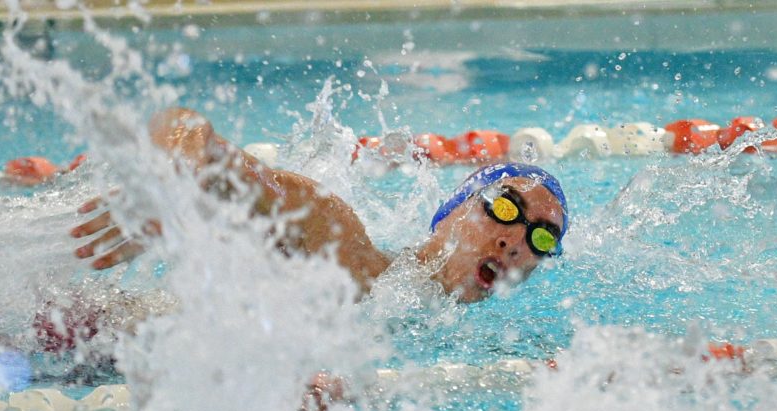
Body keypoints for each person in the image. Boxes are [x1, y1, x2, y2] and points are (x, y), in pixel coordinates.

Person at [70, 108, 569, 304]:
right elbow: (185, 127)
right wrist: (169, 189)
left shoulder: (490, 344)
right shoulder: (342, 242)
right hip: (89, 323)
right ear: (451, 212)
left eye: (542, 237)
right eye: (505, 207)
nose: (515, 240)